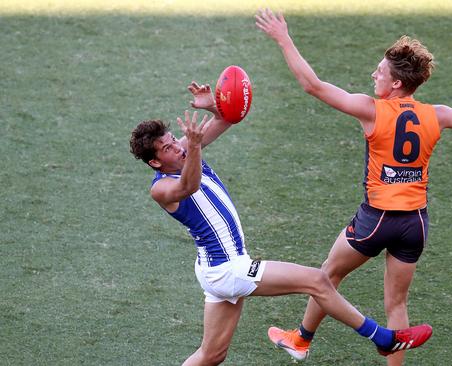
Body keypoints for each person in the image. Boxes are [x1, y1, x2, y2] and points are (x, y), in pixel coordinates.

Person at [129, 81, 434, 366]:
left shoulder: (183, 153)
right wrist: (194, 147)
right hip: (225, 270)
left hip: (221, 267)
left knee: (212, 355)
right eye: (168, 148)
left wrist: (211, 107)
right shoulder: (162, 187)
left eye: (174, 141)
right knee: (317, 280)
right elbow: (188, 186)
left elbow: (228, 119)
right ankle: (383, 339)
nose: (178, 147)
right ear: (155, 162)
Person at [256, 9, 452, 365]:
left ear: (396, 83)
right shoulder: (438, 114)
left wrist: (283, 38)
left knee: (327, 275)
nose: (374, 75)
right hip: (416, 223)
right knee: (396, 304)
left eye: (380, 71)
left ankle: (301, 340)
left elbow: (313, 85)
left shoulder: (371, 110)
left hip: (377, 218)